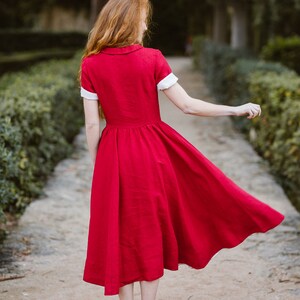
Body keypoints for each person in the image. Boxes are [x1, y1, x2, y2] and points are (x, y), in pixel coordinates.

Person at [79, 0, 284, 299]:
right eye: (144, 19)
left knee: (120, 230)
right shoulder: (152, 58)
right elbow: (187, 105)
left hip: (113, 152)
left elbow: (92, 127)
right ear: (130, 22)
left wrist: (100, 164)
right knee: (148, 228)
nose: (146, 26)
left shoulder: (91, 63)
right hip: (151, 152)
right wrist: (235, 109)